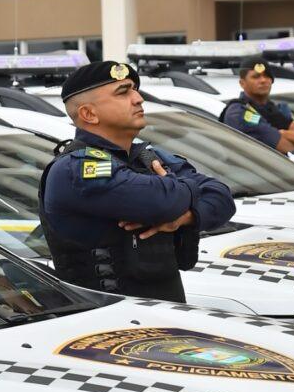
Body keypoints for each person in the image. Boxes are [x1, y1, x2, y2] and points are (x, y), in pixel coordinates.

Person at [39, 60, 236, 302]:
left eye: (134, 89)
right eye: (123, 92)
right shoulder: (76, 169)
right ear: (89, 114)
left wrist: (184, 217)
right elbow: (164, 202)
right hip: (108, 325)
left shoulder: (147, 156)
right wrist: (181, 192)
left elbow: (221, 197)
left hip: (168, 314)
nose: (138, 98)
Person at [219, 55, 294, 153]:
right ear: (242, 83)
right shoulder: (238, 112)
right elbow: (285, 146)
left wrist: (282, 133)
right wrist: (292, 135)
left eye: (267, 76)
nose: (263, 80)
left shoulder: (278, 109)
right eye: (256, 77)